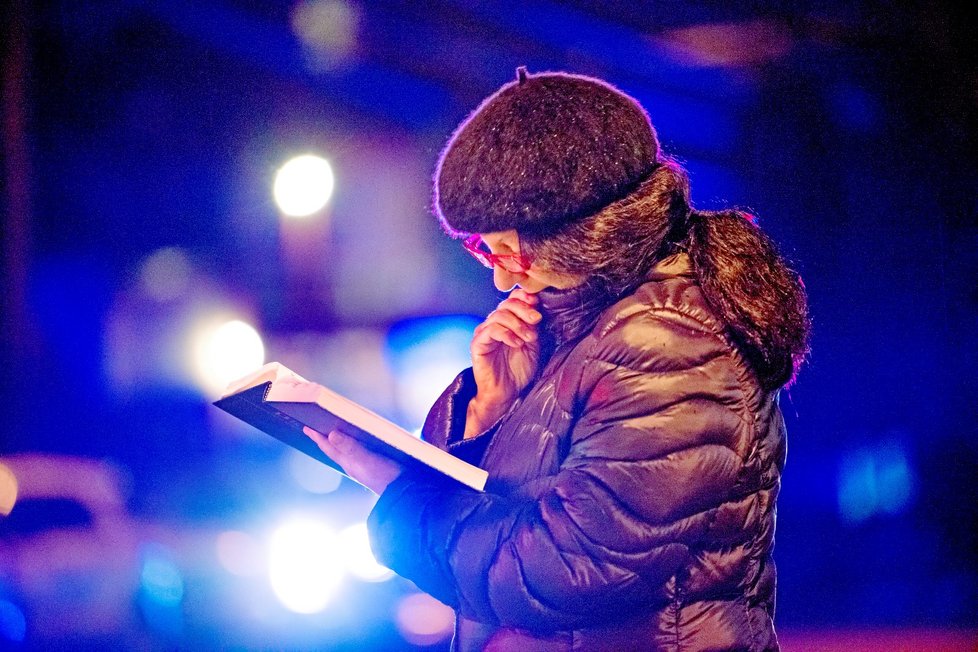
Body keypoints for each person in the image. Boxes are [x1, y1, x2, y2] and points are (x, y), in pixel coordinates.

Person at [304, 68, 809, 652]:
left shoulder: (667, 343)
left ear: (585, 234)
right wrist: (490, 408)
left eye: (511, 253)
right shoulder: (583, 324)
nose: (498, 277)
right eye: (481, 252)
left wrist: (403, 500)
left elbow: (568, 568)